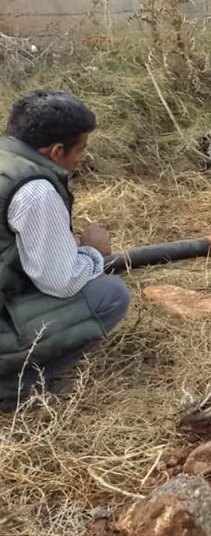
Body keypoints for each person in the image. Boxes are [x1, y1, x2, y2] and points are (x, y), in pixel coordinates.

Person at [0, 91, 131, 410]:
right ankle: (13, 386)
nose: (80, 159)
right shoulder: (35, 191)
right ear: (57, 151)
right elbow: (60, 282)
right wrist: (91, 252)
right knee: (109, 295)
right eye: (80, 149)